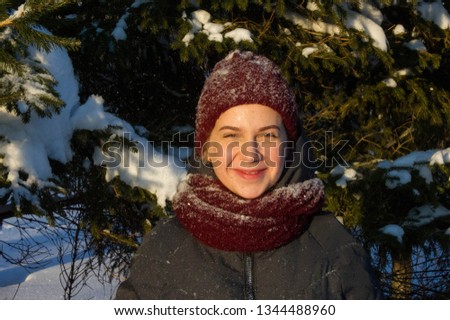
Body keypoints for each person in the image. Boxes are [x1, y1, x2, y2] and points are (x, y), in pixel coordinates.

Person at [115, 51, 381, 299]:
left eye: (267, 135)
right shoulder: (164, 250)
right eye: (231, 135)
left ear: (289, 145)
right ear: (207, 148)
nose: (250, 153)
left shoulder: (335, 249)